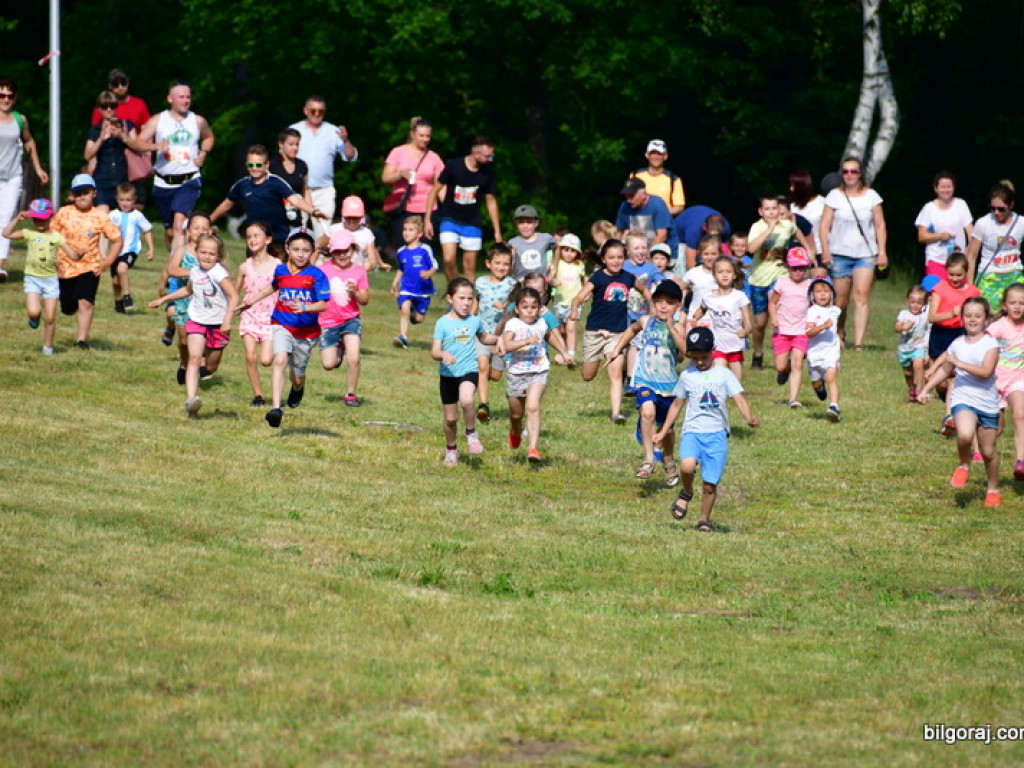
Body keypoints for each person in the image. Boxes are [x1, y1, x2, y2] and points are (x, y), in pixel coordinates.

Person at [654, 326, 760, 531]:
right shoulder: (687, 375)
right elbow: (677, 404)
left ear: (713, 350)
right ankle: (686, 492)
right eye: (695, 358)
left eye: (704, 356)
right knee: (686, 466)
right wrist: (663, 431)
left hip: (717, 434)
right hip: (692, 432)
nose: (700, 362)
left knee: (710, 485)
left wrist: (749, 417)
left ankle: (704, 519)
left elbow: (738, 398)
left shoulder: (724, 374)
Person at [237, 228, 330, 429]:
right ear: (287, 249)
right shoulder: (281, 270)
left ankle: (298, 387)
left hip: (306, 332)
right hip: (282, 323)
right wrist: (251, 301)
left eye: (306, 250)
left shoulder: (316, 275)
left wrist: (305, 307)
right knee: (279, 359)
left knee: (296, 375)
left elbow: (323, 304)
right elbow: (274, 286)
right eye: (296, 249)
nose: (301, 254)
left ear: (312, 250)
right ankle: (277, 409)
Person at [917, 297, 1001, 508]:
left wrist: (958, 363)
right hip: (964, 397)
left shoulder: (991, 344)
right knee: (964, 434)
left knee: (988, 452)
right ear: (962, 319)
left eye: (977, 316)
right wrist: (925, 390)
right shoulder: (957, 344)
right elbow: (946, 369)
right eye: (968, 315)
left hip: (988, 402)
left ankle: (992, 488)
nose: (972, 320)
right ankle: (964, 465)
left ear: (986, 319)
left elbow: (986, 372)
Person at [606, 279, 687, 485]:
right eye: (659, 301)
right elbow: (632, 330)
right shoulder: (645, 321)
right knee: (648, 412)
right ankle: (649, 459)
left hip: (668, 385)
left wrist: (671, 328)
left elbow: (684, 352)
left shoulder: (678, 326)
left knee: (666, 430)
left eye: (669, 303)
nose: (663, 306)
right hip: (645, 379)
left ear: (678, 305)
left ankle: (668, 460)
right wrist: (616, 350)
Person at [148, 234, 238, 418]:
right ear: (196, 252)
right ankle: (191, 400)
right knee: (194, 358)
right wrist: (164, 299)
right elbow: (188, 290)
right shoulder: (195, 271)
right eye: (203, 252)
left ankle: (198, 384)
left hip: (218, 324)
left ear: (218, 256)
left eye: (211, 254)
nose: (206, 256)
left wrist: (228, 321)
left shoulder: (219, 273)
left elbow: (234, 296)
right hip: (196, 320)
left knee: (210, 367)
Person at [569, 239, 645, 424]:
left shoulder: (628, 277)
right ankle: (593, 364)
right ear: (603, 259)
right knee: (588, 375)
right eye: (611, 257)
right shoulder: (598, 278)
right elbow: (578, 298)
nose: (616, 261)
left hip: (618, 333)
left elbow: (645, 291)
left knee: (616, 372)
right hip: (595, 332)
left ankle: (616, 414)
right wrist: (574, 310)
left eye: (620, 257)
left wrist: (654, 304)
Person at [135, 81, 215, 250]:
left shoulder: (198, 121)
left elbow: (209, 137)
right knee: (171, 231)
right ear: (170, 99)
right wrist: (155, 146)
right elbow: (138, 142)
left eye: (188, 97)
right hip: (163, 182)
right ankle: (173, 261)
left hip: (189, 179)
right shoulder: (158, 120)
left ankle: (177, 270)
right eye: (181, 97)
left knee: (179, 225)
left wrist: (203, 153)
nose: (186, 100)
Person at [819, 156, 888, 350]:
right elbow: (824, 226)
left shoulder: (872, 196)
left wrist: (882, 251)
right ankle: (839, 332)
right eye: (846, 171)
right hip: (839, 252)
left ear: (860, 174)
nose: (850, 175)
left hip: (866, 253)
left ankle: (859, 343)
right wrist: (825, 250)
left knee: (861, 296)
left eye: (854, 171)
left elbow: (880, 225)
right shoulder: (834, 196)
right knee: (840, 300)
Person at [432, 277, 500, 466]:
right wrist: (443, 354)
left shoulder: (475, 321)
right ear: (450, 299)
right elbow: (434, 351)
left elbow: (485, 338)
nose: (466, 303)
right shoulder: (442, 323)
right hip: (448, 375)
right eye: (462, 298)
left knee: (468, 399)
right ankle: (451, 450)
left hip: (469, 370)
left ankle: (471, 433)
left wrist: (501, 339)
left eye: (470, 299)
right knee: (451, 419)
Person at [50, 174, 122, 349]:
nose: (82, 196)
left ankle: (81, 340)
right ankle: (70, 306)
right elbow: (51, 233)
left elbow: (118, 240)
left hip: (91, 266)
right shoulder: (64, 212)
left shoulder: (100, 216)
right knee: (68, 308)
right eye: (78, 193)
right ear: (73, 195)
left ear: (94, 193)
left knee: (86, 301)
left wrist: (107, 262)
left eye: (86, 192)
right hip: (65, 267)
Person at [210, 144, 326, 245]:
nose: (254, 168)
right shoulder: (242, 185)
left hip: (279, 237)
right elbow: (226, 205)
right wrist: (209, 220)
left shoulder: (276, 182)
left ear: (267, 165)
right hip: (255, 239)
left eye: (259, 165)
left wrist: (313, 211)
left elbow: (295, 200)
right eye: (251, 165)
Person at [1, 199, 72, 355]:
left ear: (51, 217)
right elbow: (6, 234)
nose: (39, 221)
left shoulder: (57, 237)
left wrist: (79, 254)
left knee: (50, 317)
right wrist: (17, 219)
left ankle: (48, 346)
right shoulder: (29, 233)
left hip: (51, 280)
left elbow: (72, 254)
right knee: (34, 311)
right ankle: (34, 317)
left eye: (43, 218)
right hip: (33, 278)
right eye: (36, 218)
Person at [424, 136, 501, 281]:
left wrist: (497, 230)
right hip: (449, 219)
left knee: (470, 266)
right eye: (488, 156)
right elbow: (435, 190)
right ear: (476, 153)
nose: (491, 159)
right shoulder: (454, 166)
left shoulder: (488, 172)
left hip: (472, 222)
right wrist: (427, 219)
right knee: (448, 259)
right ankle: (455, 292)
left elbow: (491, 200)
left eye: (492, 155)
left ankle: (469, 300)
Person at [502, 286, 563, 463]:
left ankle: (533, 448)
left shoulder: (542, 323)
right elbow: (507, 345)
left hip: (538, 370)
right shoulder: (513, 324)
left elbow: (549, 337)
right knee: (516, 414)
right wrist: (526, 341)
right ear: (517, 309)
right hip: (517, 373)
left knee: (533, 406)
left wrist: (563, 352)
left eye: (534, 307)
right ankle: (515, 431)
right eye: (525, 307)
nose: (530, 311)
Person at [0, 78, 49, 282]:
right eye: (2, 95)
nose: (6, 99)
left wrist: (38, 168)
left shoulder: (20, 120)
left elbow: (29, 141)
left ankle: (0, 265)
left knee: (6, 218)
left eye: (10, 96)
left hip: (12, 176)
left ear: (15, 98)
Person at [290, 95, 358, 240]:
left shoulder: (333, 132)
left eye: (321, 111)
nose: (317, 114)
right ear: (305, 110)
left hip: (324, 191)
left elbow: (351, 157)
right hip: (297, 190)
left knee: (324, 233)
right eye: (313, 110)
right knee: (295, 231)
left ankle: (320, 262)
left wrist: (345, 140)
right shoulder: (294, 130)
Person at [318, 228, 369, 406]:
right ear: (331, 252)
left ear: (353, 250)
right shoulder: (322, 270)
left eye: (345, 251)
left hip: (350, 320)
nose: (342, 255)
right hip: (328, 322)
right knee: (328, 364)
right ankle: (339, 347)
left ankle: (350, 394)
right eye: (337, 251)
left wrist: (355, 292)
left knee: (354, 357)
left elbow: (365, 300)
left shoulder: (359, 272)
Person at [381, 116, 444, 252]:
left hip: (428, 210)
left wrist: (451, 207)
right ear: (413, 134)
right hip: (404, 209)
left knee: (425, 250)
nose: (425, 139)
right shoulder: (398, 152)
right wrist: (400, 174)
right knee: (403, 249)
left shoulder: (434, 157)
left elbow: (441, 187)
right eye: (421, 135)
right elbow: (385, 177)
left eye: (428, 136)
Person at [161, 212, 211, 383]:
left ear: (210, 232)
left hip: (204, 302)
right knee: (183, 340)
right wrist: (194, 273)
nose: (200, 231)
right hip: (183, 301)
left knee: (201, 336)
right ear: (188, 232)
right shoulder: (182, 250)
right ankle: (184, 363)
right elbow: (172, 270)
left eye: (204, 228)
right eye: (196, 228)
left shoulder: (210, 253)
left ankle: (200, 364)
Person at [90, 69, 152, 207]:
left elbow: (147, 130)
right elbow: (94, 136)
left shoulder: (139, 104)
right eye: (115, 84)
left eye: (123, 83)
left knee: (136, 201)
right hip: (108, 158)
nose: (120, 87)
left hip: (134, 155)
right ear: (110, 86)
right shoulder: (100, 108)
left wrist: (147, 153)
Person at [235, 221, 280, 406]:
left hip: (270, 318)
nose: (252, 240)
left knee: (266, 360)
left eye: (256, 236)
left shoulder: (278, 265)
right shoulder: (245, 267)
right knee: (251, 356)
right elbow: (234, 292)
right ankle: (258, 396)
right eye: (249, 237)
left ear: (268, 239)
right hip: (250, 316)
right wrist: (230, 311)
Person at [472, 242, 516, 423]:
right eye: (497, 263)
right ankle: (484, 405)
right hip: (482, 333)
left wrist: (505, 305)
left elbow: (515, 304)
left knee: (495, 376)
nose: (501, 267)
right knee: (482, 366)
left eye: (505, 264)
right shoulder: (480, 282)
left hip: (502, 337)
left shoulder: (512, 284)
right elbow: (475, 303)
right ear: (488, 263)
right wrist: (469, 320)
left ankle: (484, 380)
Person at [690, 255, 751, 383]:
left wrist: (745, 332)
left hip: (735, 346)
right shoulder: (709, 297)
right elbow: (702, 309)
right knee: (718, 379)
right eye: (720, 272)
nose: (724, 275)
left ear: (734, 275)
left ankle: (735, 401)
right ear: (714, 275)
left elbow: (748, 324)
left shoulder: (740, 297)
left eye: (728, 272)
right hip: (718, 346)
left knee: (736, 385)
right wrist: (694, 318)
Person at [965, 180, 1024, 313]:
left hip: (1014, 275)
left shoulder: (1021, 223)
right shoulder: (983, 223)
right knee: (989, 318)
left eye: (1001, 209)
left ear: (1011, 205)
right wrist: (970, 287)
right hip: (990, 277)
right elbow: (972, 255)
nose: (996, 212)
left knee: (1017, 319)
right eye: (993, 208)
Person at [987, 282, 1024, 482]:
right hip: (995, 382)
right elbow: (983, 344)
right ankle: (982, 451)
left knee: (1020, 415)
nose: (1018, 307)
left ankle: (1021, 461)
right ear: (1004, 306)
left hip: (1018, 380)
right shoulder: (999, 326)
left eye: (1022, 303)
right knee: (996, 428)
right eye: (1013, 303)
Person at [769, 247, 813, 408]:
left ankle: (793, 399)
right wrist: (774, 318)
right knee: (780, 366)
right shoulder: (782, 283)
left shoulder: (810, 285)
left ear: (807, 268)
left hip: (801, 331)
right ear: (788, 267)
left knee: (797, 364)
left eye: (802, 268)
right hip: (782, 331)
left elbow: (814, 306)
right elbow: (773, 302)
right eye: (794, 268)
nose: (798, 272)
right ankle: (784, 370)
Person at [84, 91, 141, 210]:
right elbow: (87, 155)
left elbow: (137, 146)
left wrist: (121, 136)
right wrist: (100, 139)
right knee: (103, 216)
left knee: (121, 219)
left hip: (122, 179)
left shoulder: (126, 125)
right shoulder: (95, 130)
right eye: (105, 107)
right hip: (102, 180)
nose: (109, 110)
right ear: (99, 109)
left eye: (112, 106)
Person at [915, 171, 974, 281]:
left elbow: (971, 232)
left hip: (958, 262)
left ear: (953, 187)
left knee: (958, 296)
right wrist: (940, 236)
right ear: (936, 188)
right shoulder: (929, 209)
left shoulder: (961, 204)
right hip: (936, 260)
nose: (946, 190)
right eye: (942, 187)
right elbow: (921, 236)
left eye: (949, 187)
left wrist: (970, 249)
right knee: (937, 294)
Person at [390, 215, 438, 349]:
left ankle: (414, 313)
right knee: (404, 308)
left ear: (419, 234)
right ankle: (403, 338)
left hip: (422, 290)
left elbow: (435, 266)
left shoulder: (425, 250)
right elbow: (401, 269)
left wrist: (428, 274)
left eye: (411, 230)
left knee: (418, 319)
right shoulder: (401, 252)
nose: (406, 233)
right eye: (405, 229)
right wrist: (395, 283)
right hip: (406, 288)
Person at [108, 182, 155, 313]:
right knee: (115, 281)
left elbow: (147, 230)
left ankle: (127, 297)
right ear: (117, 199)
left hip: (130, 250)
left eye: (128, 200)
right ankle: (118, 303)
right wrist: (113, 230)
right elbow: (105, 232)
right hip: (115, 252)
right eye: (122, 200)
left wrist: (151, 249)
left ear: (134, 200)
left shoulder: (137, 215)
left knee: (122, 269)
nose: (125, 203)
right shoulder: (112, 215)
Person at [805, 275, 843, 422]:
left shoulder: (835, 311)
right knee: (816, 383)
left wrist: (838, 340)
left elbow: (834, 329)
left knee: (831, 377)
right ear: (812, 295)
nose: (822, 294)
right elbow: (808, 333)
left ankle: (834, 406)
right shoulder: (812, 312)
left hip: (831, 352)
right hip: (814, 354)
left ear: (832, 294)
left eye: (826, 291)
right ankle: (819, 388)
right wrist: (823, 326)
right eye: (818, 291)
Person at [548, 232, 586, 362]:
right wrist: (553, 282)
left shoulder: (579, 265)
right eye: (565, 249)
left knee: (570, 328)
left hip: (574, 303)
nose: (569, 253)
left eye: (572, 250)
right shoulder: (557, 264)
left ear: (578, 252)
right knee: (562, 330)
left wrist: (587, 293)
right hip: (560, 302)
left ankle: (571, 355)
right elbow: (549, 279)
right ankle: (563, 352)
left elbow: (584, 280)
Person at [322, 196, 386, 272]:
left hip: (356, 272)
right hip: (334, 270)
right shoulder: (334, 229)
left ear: (361, 217)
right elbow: (319, 247)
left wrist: (367, 267)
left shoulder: (366, 233)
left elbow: (372, 259)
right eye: (348, 217)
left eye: (356, 218)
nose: (352, 221)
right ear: (343, 216)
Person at [269, 128, 313, 230]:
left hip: (296, 217)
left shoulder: (302, 166)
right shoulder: (271, 164)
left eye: (297, 144)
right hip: (275, 217)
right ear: (281, 144)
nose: (295, 148)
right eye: (291, 144)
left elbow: (305, 190)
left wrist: (311, 210)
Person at [895, 285, 931, 403]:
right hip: (905, 348)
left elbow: (933, 304)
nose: (915, 305)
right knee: (908, 372)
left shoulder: (925, 314)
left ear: (924, 303)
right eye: (913, 302)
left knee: (918, 365)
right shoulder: (904, 314)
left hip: (919, 346)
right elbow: (897, 327)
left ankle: (920, 391)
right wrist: (904, 326)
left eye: (919, 302)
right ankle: (912, 388)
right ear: (908, 301)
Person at [630, 139, 685, 216]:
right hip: (639, 219)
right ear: (647, 155)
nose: (656, 157)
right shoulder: (635, 175)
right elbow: (629, 199)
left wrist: (660, 213)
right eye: (652, 153)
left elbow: (679, 206)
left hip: (664, 222)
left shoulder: (674, 179)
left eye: (659, 153)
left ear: (665, 156)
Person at [672, 205, 731, 270]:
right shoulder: (694, 230)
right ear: (704, 227)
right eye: (711, 235)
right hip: (680, 237)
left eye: (716, 236)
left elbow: (726, 250)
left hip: (698, 220)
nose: (713, 238)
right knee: (682, 262)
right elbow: (690, 260)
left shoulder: (726, 227)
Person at [615, 178, 671, 246]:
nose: (628, 200)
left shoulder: (657, 205)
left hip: (663, 250)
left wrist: (648, 254)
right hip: (636, 251)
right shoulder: (625, 207)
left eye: (632, 196)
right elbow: (619, 233)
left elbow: (662, 235)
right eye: (626, 196)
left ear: (644, 194)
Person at [509, 204, 555, 280]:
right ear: (516, 224)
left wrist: (554, 266)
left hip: (541, 284)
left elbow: (558, 248)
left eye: (529, 222)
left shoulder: (546, 238)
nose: (525, 226)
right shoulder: (512, 242)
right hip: (521, 285)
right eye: (521, 222)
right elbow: (509, 268)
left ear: (536, 223)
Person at [682, 235, 720, 328]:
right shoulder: (693, 273)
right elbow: (682, 288)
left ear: (719, 254)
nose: (710, 257)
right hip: (694, 319)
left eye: (713, 254)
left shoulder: (723, 274)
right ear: (700, 254)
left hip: (716, 321)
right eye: (706, 254)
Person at [788, 171, 826, 262]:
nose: (791, 189)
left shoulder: (822, 203)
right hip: (798, 255)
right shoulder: (792, 207)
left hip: (819, 251)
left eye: (793, 186)